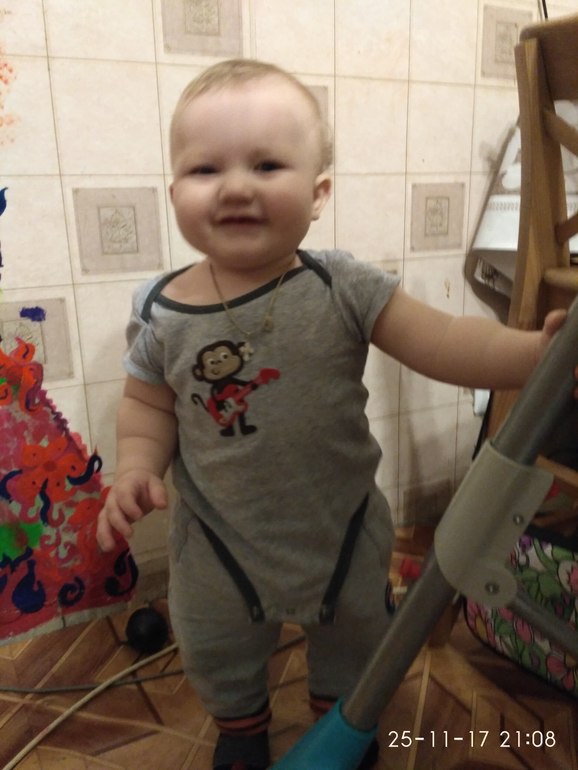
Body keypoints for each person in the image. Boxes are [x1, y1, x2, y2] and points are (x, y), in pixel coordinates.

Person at [97, 59, 570, 770]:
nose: (235, 186)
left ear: (318, 194)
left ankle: (341, 724)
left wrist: (532, 356)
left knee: (356, 640)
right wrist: (135, 466)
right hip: (219, 539)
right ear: (174, 194)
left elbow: (445, 341)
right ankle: (241, 728)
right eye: (205, 169)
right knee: (217, 646)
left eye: (266, 165)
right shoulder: (161, 311)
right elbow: (146, 403)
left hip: (339, 527)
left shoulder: (341, 285)